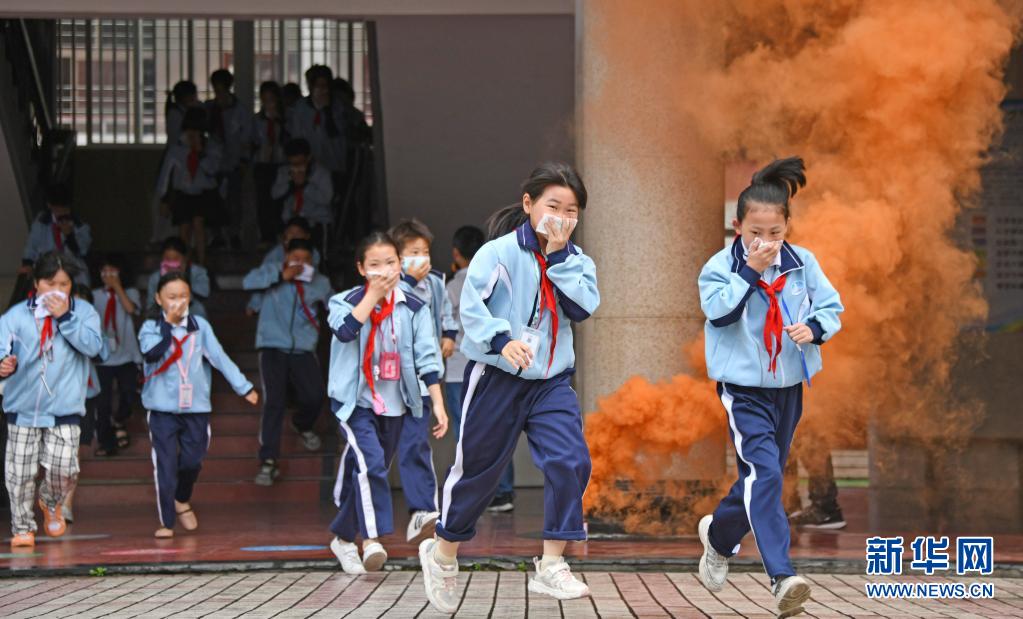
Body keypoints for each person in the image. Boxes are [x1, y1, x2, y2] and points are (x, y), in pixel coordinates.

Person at [421, 163, 599, 611]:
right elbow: (472, 308)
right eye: (552, 206)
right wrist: (503, 341)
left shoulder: (577, 261)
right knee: (478, 473)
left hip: (551, 382)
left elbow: (581, 309)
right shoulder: (496, 253)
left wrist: (558, 257)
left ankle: (552, 563)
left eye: (571, 211)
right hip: (497, 377)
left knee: (570, 460)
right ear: (528, 205)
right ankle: (442, 554)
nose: (560, 216)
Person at [695, 157, 844, 619]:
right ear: (737, 226)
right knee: (767, 476)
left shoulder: (803, 264)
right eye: (755, 233)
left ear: (787, 227)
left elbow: (832, 307)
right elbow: (718, 314)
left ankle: (718, 538)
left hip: (789, 387)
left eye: (775, 233)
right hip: (743, 390)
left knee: (761, 477)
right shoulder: (720, 267)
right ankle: (782, 577)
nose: (765, 242)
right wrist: (749, 272)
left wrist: (814, 329)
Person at [327, 232, 448, 575]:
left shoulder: (413, 305)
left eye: (391, 263)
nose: (384, 271)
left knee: (370, 469)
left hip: (398, 402)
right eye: (375, 265)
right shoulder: (343, 301)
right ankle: (372, 540)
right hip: (355, 402)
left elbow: (427, 357)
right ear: (361, 269)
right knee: (372, 466)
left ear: (400, 264)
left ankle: (341, 538)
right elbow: (346, 331)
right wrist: (373, 296)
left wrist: (437, 403)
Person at [139, 272, 259, 538]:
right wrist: (168, 325)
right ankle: (166, 523)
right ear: (159, 299)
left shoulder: (200, 326)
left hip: (196, 407)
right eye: (171, 297)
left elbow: (219, 358)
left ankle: (182, 498)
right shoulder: (150, 327)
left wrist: (244, 387)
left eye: (183, 296)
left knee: (193, 460)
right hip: (161, 409)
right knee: (165, 464)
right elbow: (150, 354)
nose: (178, 302)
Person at [0, 252, 103, 548]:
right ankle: (22, 527)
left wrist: (66, 318)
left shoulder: (83, 312)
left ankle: (50, 500)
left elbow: (95, 348)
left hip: (64, 407)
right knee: (19, 474)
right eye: (50, 283)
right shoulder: (16, 315)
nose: (57, 290)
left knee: (65, 470)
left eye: (64, 283)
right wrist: (3, 363)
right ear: (35, 283)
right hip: (23, 407)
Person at [389, 218, 458, 544]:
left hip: (422, 378)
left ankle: (422, 510)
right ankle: (357, 522)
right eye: (414, 252)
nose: (422, 257)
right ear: (398, 257)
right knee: (376, 450)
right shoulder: (387, 284)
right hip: (388, 381)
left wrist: (448, 334)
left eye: (425, 251)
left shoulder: (435, 282)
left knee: (415, 443)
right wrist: (403, 280)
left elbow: (446, 312)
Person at [242, 238, 332, 485]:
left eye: (306, 260)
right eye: (296, 259)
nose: (300, 264)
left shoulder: (320, 282)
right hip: (272, 345)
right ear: (286, 258)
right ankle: (268, 460)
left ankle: (302, 424)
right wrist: (281, 275)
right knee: (274, 401)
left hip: (303, 348)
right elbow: (247, 282)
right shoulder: (272, 274)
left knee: (315, 395)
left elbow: (334, 306)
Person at [155, 107, 222, 265]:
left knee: (199, 224)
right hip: (183, 193)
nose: (192, 135)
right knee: (184, 227)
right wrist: (164, 198)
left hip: (203, 193)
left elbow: (213, 170)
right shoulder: (176, 148)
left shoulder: (212, 146)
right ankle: (184, 262)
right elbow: (166, 174)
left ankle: (202, 260)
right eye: (189, 130)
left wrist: (200, 152)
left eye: (197, 131)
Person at [92, 254, 142, 454]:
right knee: (102, 402)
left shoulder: (131, 292)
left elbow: (131, 309)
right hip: (102, 357)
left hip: (127, 354)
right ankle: (106, 442)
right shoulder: (94, 295)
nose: (108, 276)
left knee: (129, 394)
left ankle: (119, 420)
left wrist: (117, 287)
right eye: (104, 272)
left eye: (113, 271)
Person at [204, 68, 252, 250]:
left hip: (233, 162)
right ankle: (216, 235)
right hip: (212, 164)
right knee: (213, 200)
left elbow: (246, 138)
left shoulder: (240, 111)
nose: (219, 94)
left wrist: (243, 161)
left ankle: (234, 233)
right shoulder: (209, 109)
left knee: (234, 201)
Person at [21, 185, 91, 286]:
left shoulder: (79, 224)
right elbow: (32, 245)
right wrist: (27, 264)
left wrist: (69, 236)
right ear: (50, 205)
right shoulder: (41, 221)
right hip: (48, 270)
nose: (61, 213)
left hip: (74, 272)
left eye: (64, 209)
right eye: (58, 210)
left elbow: (82, 251)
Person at [272, 138, 333, 254]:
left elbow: (326, 199)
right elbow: (275, 194)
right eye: (292, 163)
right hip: (292, 222)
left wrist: (305, 185)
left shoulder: (321, 173)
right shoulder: (284, 172)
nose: (296, 166)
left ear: (308, 158)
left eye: (300, 163)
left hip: (317, 222)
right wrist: (290, 184)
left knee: (319, 258)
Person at [251, 81, 288, 247]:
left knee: (280, 200)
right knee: (263, 200)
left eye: (271, 99)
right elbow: (251, 141)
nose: (268, 103)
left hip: (281, 164)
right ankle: (266, 236)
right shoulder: (257, 120)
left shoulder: (287, 120)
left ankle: (281, 232)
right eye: (265, 99)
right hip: (263, 163)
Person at [145, 237, 211, 319]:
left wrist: (182, 277)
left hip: (194, 316)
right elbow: (150, 308)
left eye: (176, 259)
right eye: (168, 259)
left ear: (185, 258)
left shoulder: (198, 272)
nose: (171, 263)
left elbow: (204, 292)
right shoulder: (155, 278)